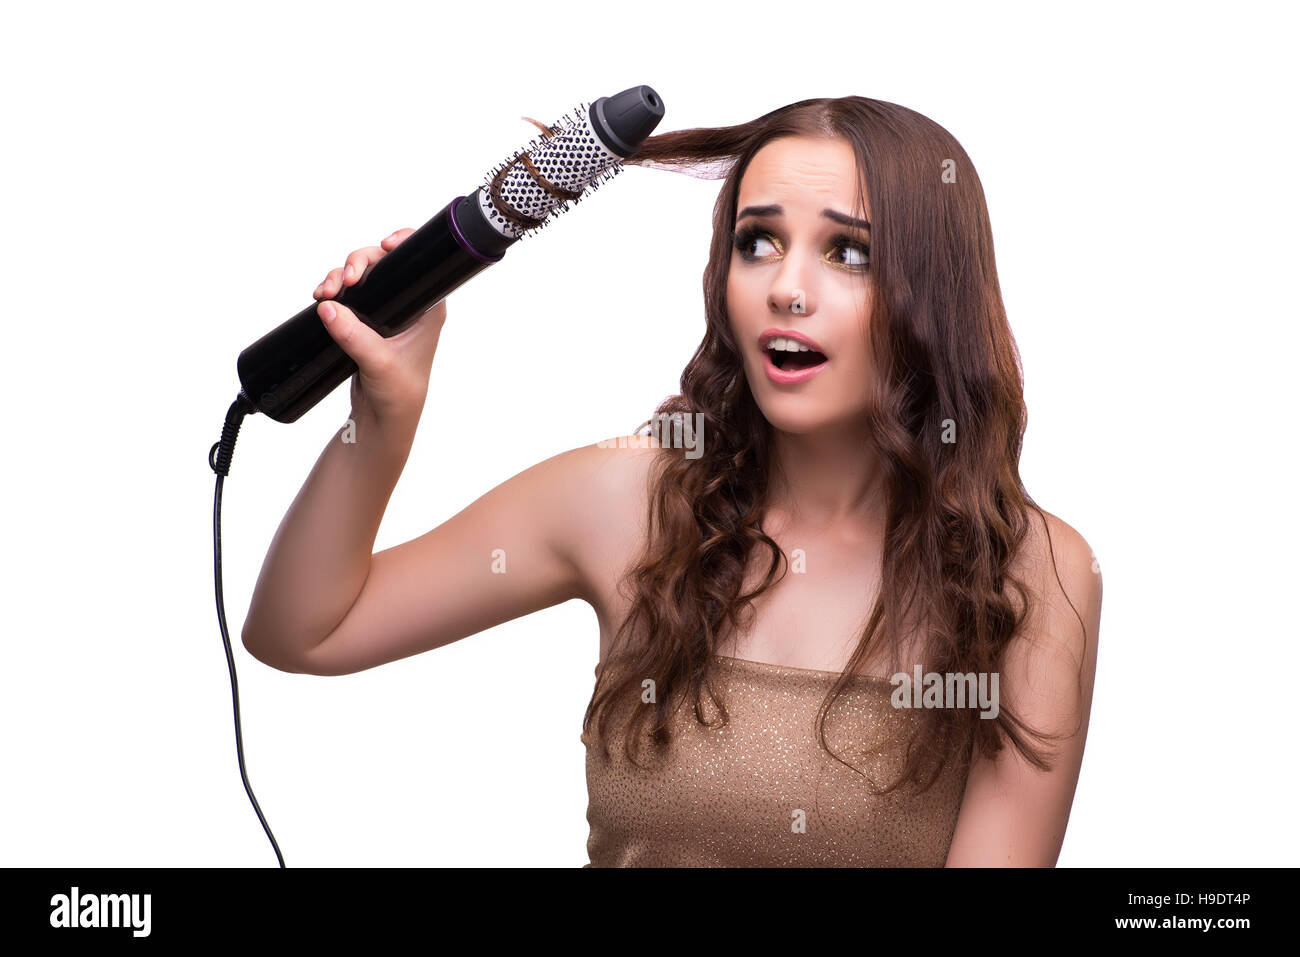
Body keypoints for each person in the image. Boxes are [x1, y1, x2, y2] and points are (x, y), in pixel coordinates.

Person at [241, 96, 1102, 867]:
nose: (786, 289)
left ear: (934, 293)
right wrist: (382, 420)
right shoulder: (626, 503)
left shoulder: (1029, 574)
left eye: (848, 252)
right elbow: (302, 631)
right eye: (757, 242)